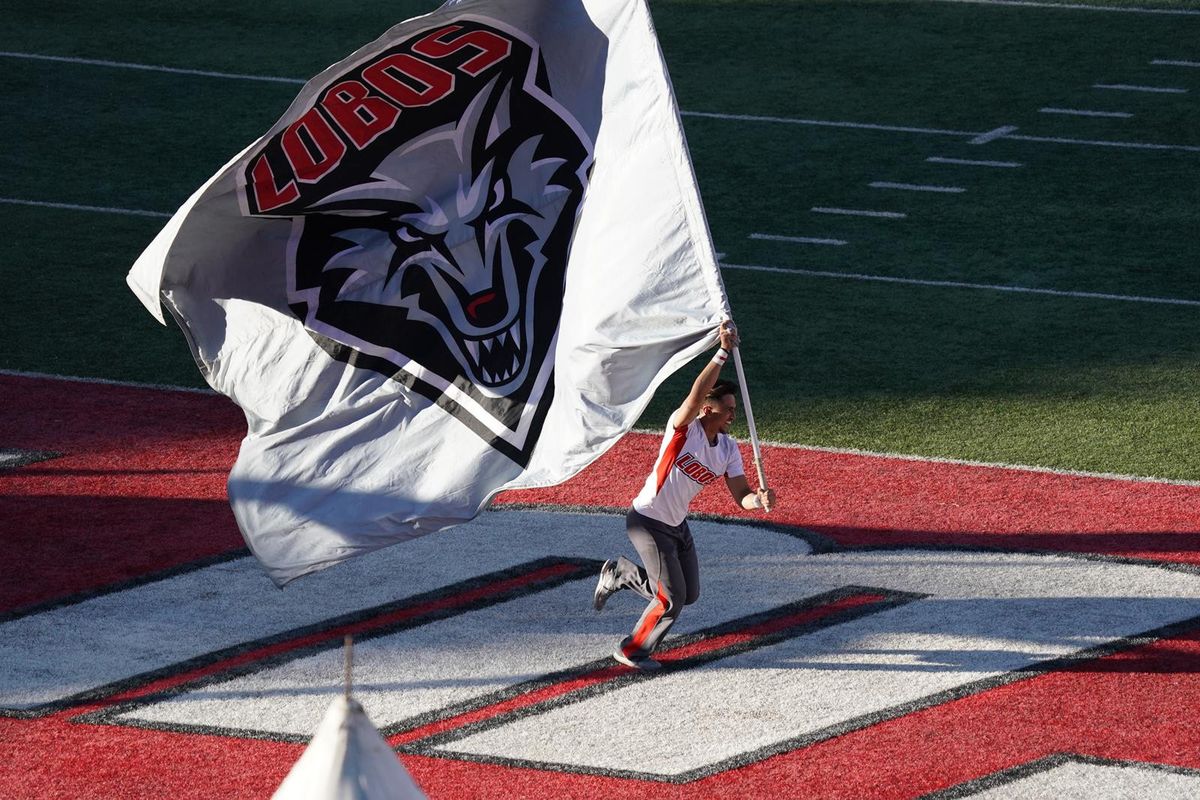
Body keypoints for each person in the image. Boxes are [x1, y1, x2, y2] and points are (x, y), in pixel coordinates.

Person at [592, 320, 776, 671]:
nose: (733, 415)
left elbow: (742, 495)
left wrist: (759, 501)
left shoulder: (727, 449)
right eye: (728, 408)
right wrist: (722, 352)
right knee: (671, 601)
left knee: (689, 594)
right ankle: (632, 649)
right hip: (648, 520)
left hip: (676, 525)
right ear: (709, 410)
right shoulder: (684, 429)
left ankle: (621, 574)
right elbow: (694, 395)